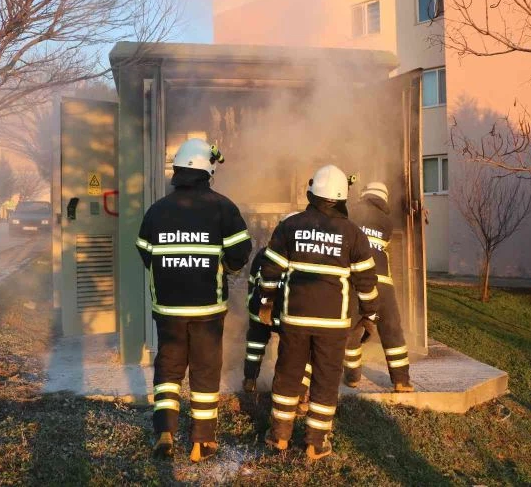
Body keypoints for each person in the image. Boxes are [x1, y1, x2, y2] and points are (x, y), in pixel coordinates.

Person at [136, 138, 251, 463]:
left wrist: (169, 271)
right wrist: (224, 266)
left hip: (168, 309)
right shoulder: (222, 207)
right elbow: (241, 251)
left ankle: (165, 432)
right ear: (207, 170)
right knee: (204, 370)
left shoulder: (157, 210)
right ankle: (202, 441)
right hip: (207, 310)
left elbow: (145, 251)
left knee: (169, 367)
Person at [260, 165, 379, 460]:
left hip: (295, 319)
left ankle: (279, 436)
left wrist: (266, 302)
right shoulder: (352, 233)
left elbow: (270, 270)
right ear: (341, 197)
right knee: (325, 380)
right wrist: (370, 314)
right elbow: (366, 281)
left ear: (312, 193)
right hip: (333, 324)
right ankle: (315, 442)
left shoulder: (290, 226)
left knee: (288, 375)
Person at [344, 182, 414, 392]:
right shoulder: (387, 222)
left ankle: (353, 376)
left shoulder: (352, 212)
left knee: (352, 331)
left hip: (358, 281)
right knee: (392, 331)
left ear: (365, 195)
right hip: (383, 283)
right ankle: (402, 380)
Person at [242, 244, 311, 416]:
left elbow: (251, 282)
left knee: (255, 343)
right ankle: (300, 392)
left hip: (260, 307)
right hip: (287, 314)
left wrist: (254, 305)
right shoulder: (304, 254)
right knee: (302, 349)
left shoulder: (263, 252)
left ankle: (250, 380)